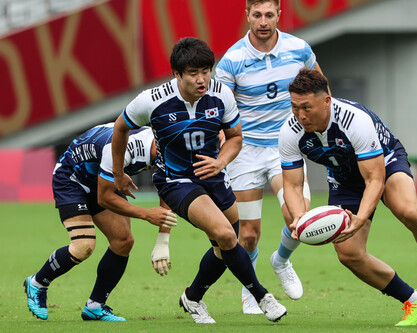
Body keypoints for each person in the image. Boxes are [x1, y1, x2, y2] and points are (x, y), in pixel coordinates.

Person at [279, 68, 417, 326]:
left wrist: (361, 218)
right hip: (344, 177)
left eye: (306, 107)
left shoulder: (354, 121)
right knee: (348, 254)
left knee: (407, 210)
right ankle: (413, 300)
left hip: (384, 161)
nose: (300, 115)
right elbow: (293, 186)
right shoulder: (289, 131)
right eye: (295, 107)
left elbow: (374, 179)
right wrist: (298, 219)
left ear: (326, 100)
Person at [112, 37, 287, 324]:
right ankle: (262, 295)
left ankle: (192, 298)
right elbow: (120, 128)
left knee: (226, 246)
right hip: (176, 181)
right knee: (227, 235)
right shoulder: (152, 100)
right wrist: (119, 173)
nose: (202, 79)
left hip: (214, 177)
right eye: (193, 73)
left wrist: (221, 161)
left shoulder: (221, 95)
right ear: (177, 74)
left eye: (206, 70)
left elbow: (235, 138)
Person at [215, 0, 326, 313]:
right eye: (257, 14)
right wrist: (222, 142)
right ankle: (251, 290)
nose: (263, 21)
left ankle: (280, 260)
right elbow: (219, 109)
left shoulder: (300, 49)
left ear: (280, 14)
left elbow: (320, 90)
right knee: (247, 235)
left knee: (300, 219)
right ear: (247, 15)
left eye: (269, 14)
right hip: (245, 152)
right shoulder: (233, 59)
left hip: (285, 147)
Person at [23, 123, 177, 321]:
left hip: (102, 178)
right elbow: (104, 198)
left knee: (123, 241)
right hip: (72, 179)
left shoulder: (167, 148)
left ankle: (95, 306)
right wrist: (147, 214)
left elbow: (167, 189)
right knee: (83, 246)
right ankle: (37, 283)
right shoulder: (126, 148)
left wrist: (163, 240)